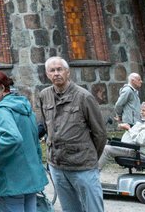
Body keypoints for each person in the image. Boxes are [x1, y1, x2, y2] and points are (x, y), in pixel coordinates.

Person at [38, 56, 106, 212]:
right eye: (52, 70)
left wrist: (88, 156)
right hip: (57, 165)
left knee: (93, 209)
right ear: (47, 74)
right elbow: (46, 125)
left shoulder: (84, 97)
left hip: (83, 167)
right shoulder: (44, 95)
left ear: (68, 72)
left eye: (60, 69)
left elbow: (100, 134)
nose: (56, 73)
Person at [0, 72, 48, 212]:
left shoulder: (3, 110)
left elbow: (12, 138)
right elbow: (33, 138)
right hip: (29, 176)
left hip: (10, 179)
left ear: (1, 88)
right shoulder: (24, 107)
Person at [97, 101, 145, 170]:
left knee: (106, 149)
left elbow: (141, 140)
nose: (141, 112)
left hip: (137, 152)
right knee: (107, 142)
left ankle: (94, 173)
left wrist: (128, 128)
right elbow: (136, 134)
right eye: (141, 110)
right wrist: (125, 126)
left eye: (144, 110)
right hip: (132, 148)